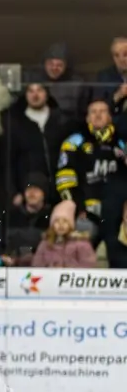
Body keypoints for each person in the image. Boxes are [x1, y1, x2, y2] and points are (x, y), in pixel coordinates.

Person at [55, 99, 127, 267]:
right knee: (78, 258)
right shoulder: (75, 141)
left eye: (102, 111)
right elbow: (64, 176)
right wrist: (76, 206)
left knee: (119, 257)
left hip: (116, 212)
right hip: (86, 210)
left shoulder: (121, 143)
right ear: (87, 117)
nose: (98, 115)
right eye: (93, 111)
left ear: (110, 117)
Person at [7, 83, 71, 200]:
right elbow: (10, 161)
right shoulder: (16, 123)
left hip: (61, 187)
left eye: (39, 90)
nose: (35, 95)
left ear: (46, 94)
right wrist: (14, 191)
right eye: (31, 91)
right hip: (30, 190)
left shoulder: (62, 120)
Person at [31, 200, 96, 268]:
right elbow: (37, 264)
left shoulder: (81, 244)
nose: (61, 225)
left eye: (65, 221)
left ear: (71, 224)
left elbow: (88, 265)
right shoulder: (45, 243)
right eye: (57, 221)